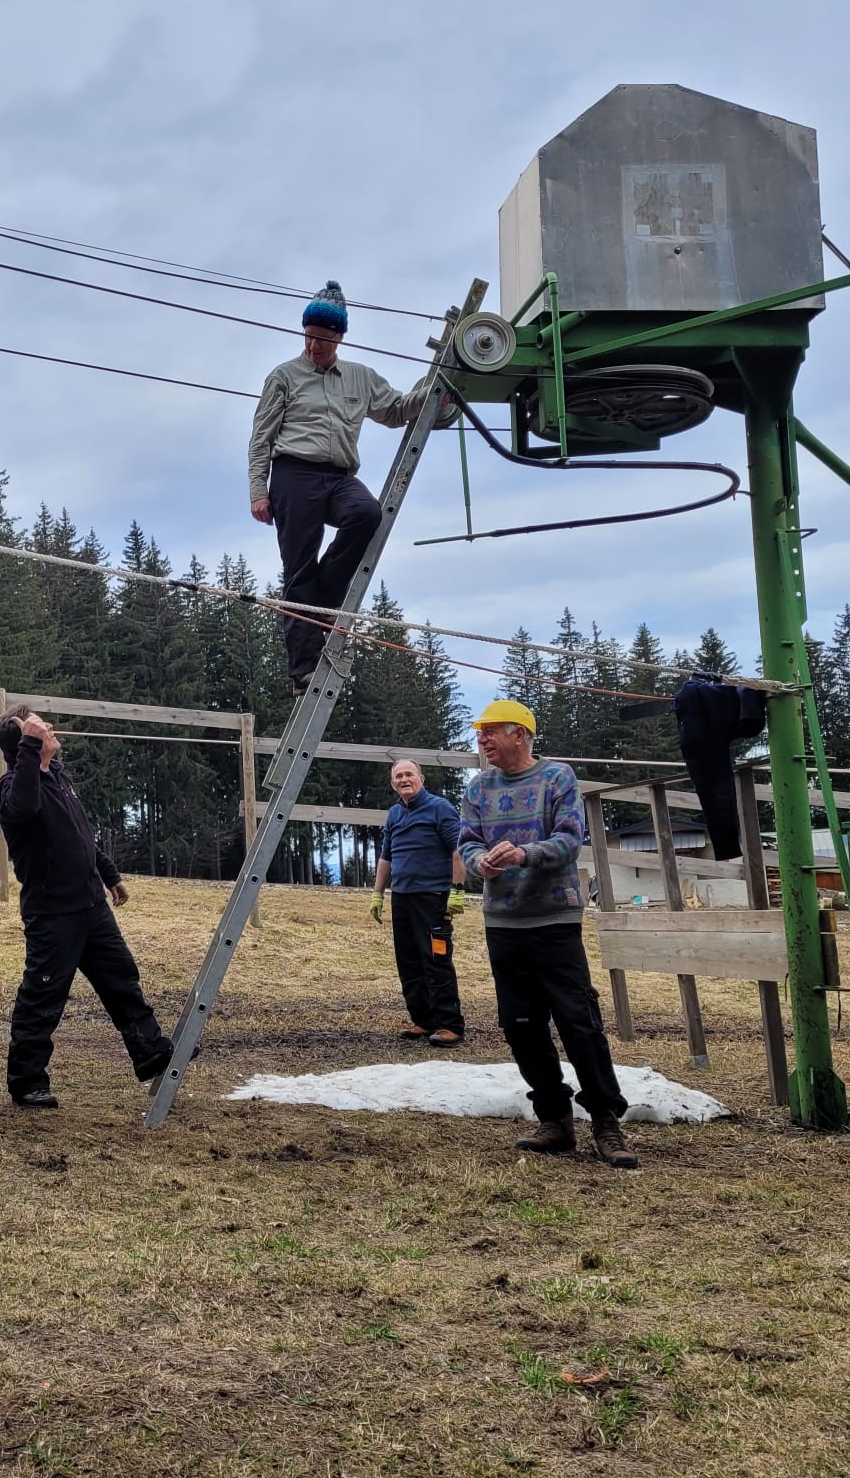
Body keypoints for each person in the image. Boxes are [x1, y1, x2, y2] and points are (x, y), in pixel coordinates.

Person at [457, 700, 638, 1169]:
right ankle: (554, 1119)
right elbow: (467, 841)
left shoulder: (557, 778)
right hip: (503, 922)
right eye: (480, 733)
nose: (483, 740)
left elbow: (569, 839)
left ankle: (605, 1121)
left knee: (579, 1022)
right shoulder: (477, 788)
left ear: (520, 734)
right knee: (520, 1024)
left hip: (555, 920)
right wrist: (480, 862)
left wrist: (525, 854)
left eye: (491, 731)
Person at [247, 281, 440, 693]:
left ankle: (325, 603)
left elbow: (396, 410)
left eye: (323, 338)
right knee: (298, 568)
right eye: (309, 336)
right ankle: (303, 669)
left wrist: (436, 392)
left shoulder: (360, 378)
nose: (314, 345)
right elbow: (261, 438)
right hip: (293, 475)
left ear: (339, 337)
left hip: (338, 476)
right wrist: (258, 491)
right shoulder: (283, 376)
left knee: (367, 515)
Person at [0, 703, 174, 1108]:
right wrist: (29, 747)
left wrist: (108, 873)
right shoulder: (11, 787)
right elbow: (24, 807)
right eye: (39, 726)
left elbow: (80, 833)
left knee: (121, 978)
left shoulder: (57, 775)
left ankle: (149, 1051)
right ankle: (27, 1082)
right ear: (25, 743)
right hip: (52, 913)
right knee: (43, 997)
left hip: (91, 904)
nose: (49, 727)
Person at [370, 759, 468, 1046]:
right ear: (393, 784)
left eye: (409, 774)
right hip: (402, 898)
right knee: (409, 961)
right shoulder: (394, 814)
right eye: (398, 776)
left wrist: (457, 889)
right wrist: (377, 893)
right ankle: (424, 1021)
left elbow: (458, 850)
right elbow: (386, 857)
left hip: (433, 897)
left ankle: (450, 1024)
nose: (404, 779)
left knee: (435, 959)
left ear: (421, 779)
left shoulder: (440, 808)